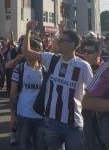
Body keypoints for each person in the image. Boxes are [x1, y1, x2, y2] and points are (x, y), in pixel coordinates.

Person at [23, 21, 93, 150]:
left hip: (74, 124)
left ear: (72, 44)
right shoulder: (52, 59)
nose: (58, 42)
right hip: (51, 121)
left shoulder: (83, 66)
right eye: (59, 40)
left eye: (62, 40)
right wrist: (28, 31)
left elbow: (93, 91)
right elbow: (27, 53)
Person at [10, 39, 45, 150]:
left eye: (30, 50)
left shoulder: (45, 70)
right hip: (23, 115)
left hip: (41, 116)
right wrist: (12, 114)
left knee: (40, 146)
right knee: (23, 146)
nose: (27, 53)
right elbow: (13, 94)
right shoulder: (19, 69)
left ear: (38, 52)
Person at [80, 39, 105, 150]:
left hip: (102, 114)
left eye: (89, 52)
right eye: (84, 51)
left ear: (98, 53)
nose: (85, 55)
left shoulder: (106, 69)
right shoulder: (80, 66)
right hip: (84, 113)